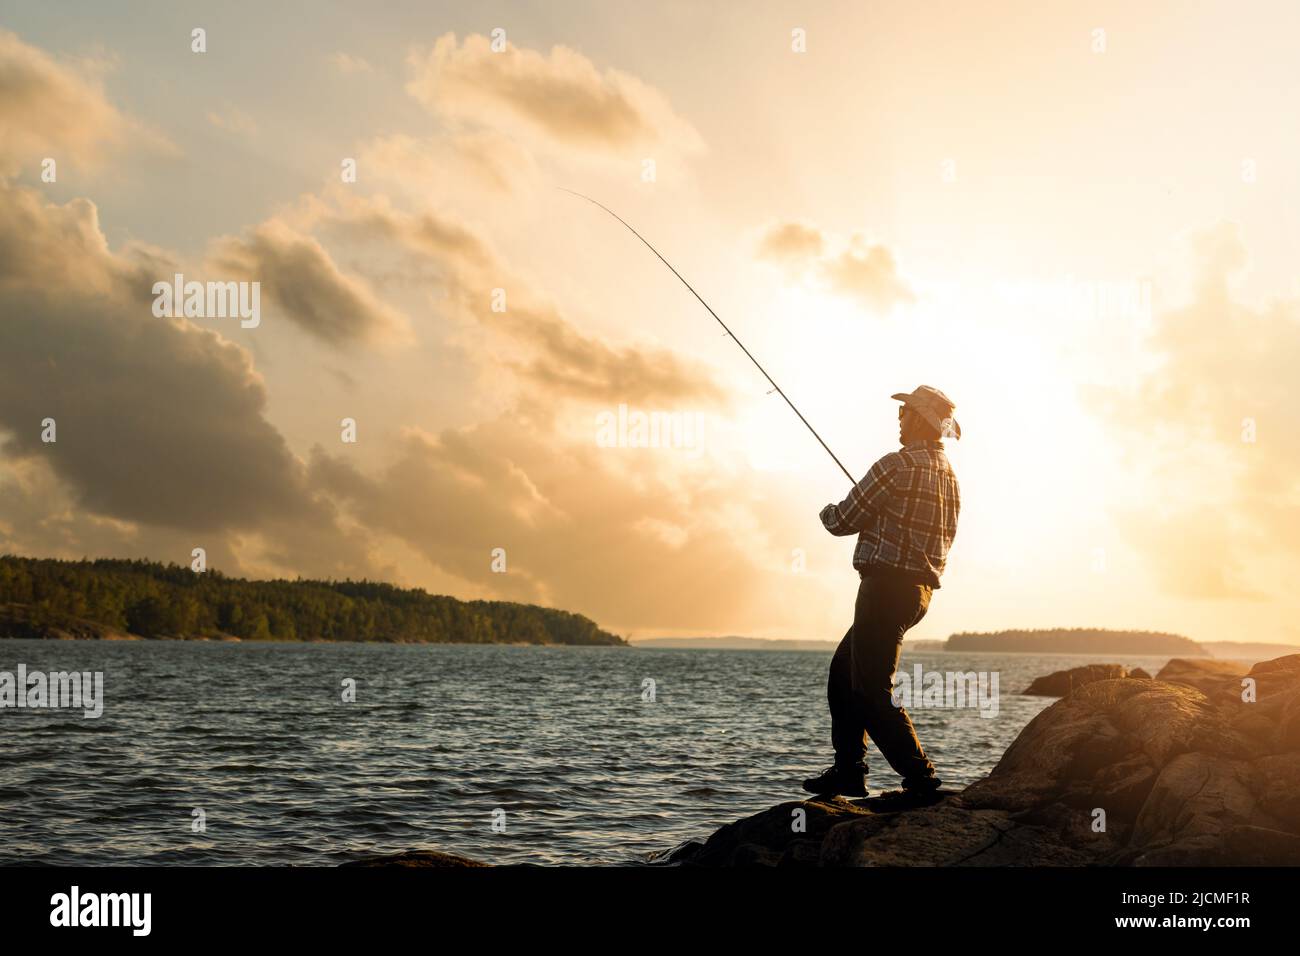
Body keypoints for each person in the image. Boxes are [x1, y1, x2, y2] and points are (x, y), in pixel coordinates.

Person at [802, 385, 961, 799]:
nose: (899, 418)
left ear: (921, 419)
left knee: (872, 688)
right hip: (918, 594)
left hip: (885, 589)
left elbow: (844, 519)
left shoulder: (895, 466)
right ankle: (849, 773)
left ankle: (921, 780)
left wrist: (826, 511)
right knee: (843, 676)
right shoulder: (950, 477)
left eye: (905, 411)